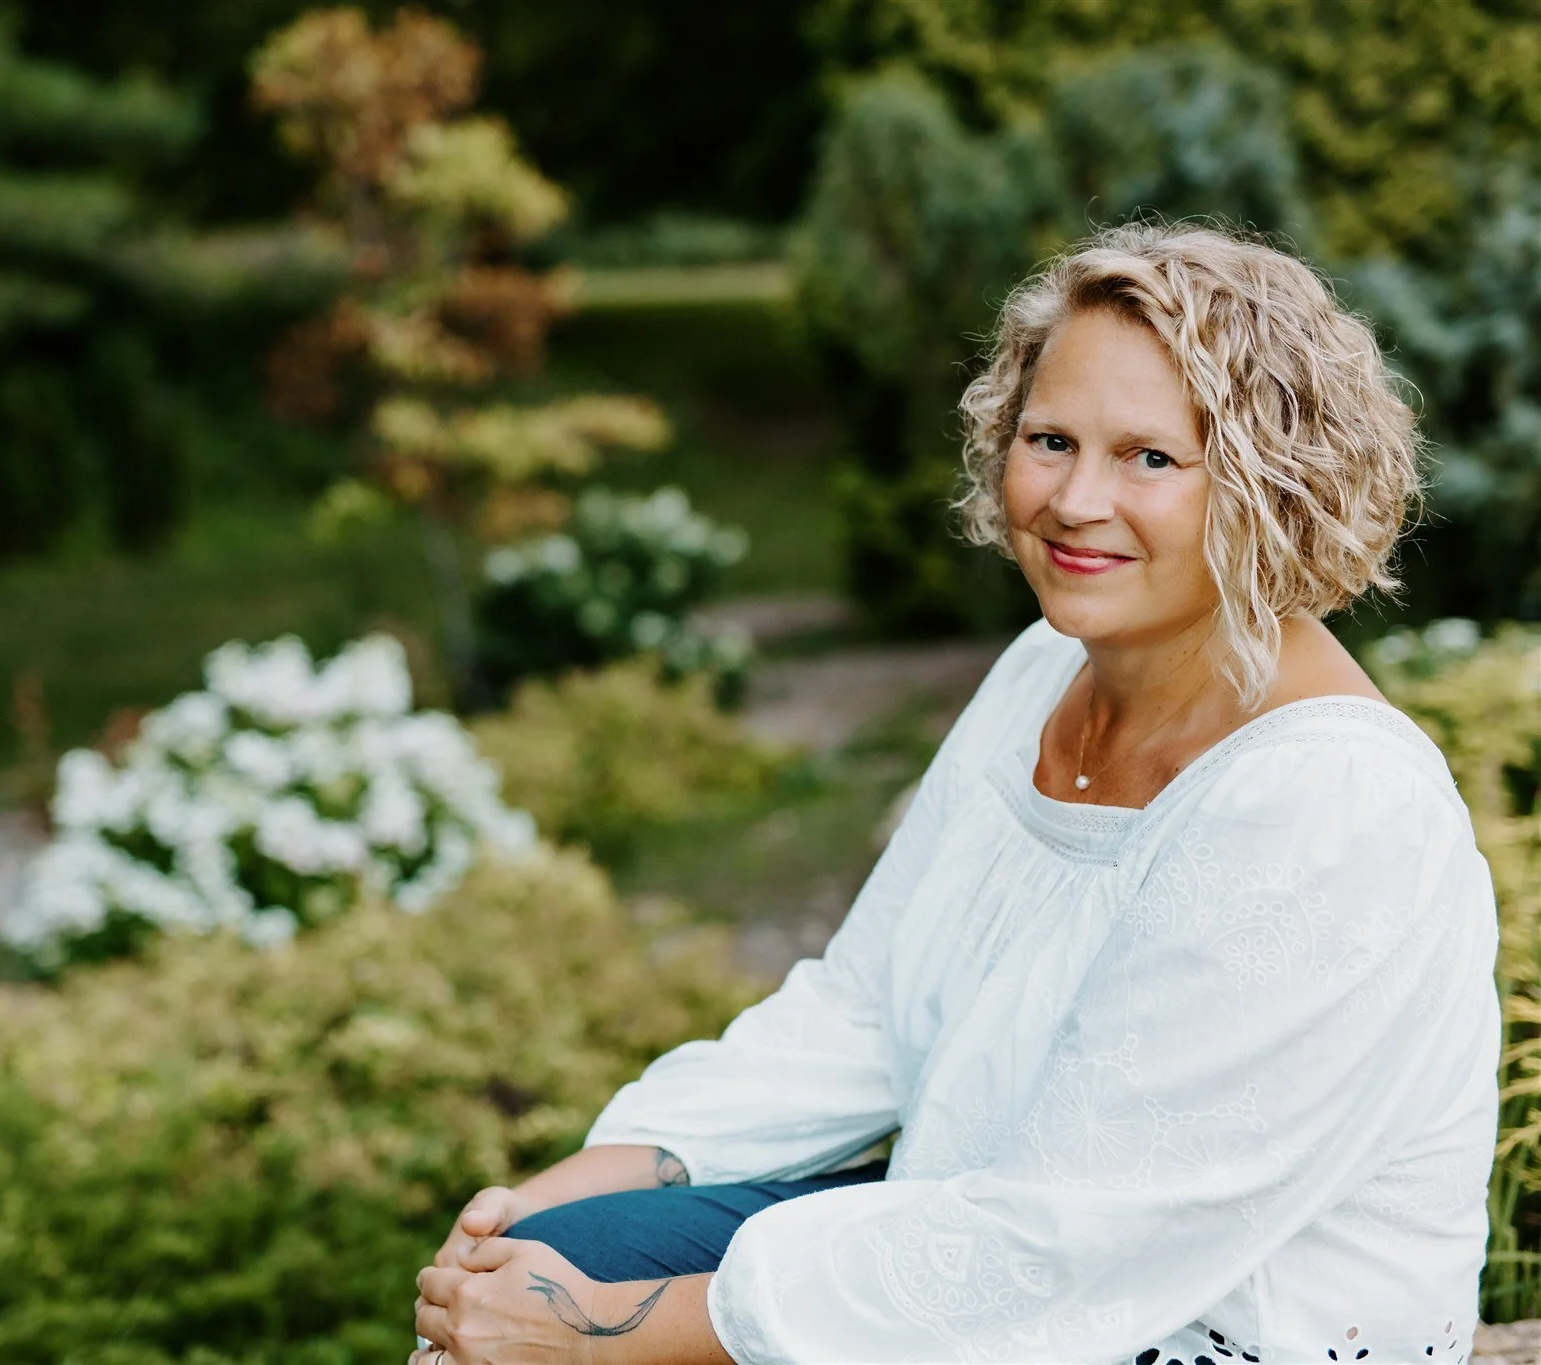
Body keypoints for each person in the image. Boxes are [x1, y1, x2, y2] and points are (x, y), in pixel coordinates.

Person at [408, 223, 1502, 1364]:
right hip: (970, 1240)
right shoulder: (1043, 670)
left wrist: (593, 1337)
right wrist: (586, 1181)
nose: (1076, 500)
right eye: (1049, 439)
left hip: (1169, 1326)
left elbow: (1060, 1252)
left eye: (1149, 459)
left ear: (1273, 487)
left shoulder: (1326, 805)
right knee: (525, 1266)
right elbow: (864, 1010)